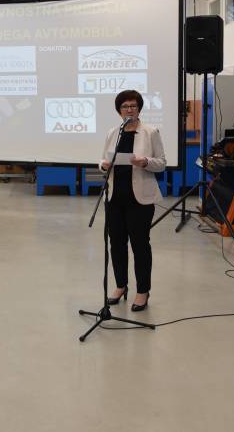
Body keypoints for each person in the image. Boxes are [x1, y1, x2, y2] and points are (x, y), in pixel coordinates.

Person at [98, 89, 166, 312]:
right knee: (116, 244)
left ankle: (143, 291)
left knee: (140, 245)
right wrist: (103, 165)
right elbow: (103, 158)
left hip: (140, 200)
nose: (129, 110)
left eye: (133, 106)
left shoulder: (150, 132)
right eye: (125, 106)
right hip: (115, 198)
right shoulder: (113, 132)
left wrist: (144, 161)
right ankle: (121, 286)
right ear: (119, 111)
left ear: (139, 109)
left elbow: (162, 163)